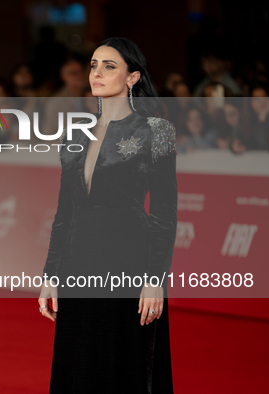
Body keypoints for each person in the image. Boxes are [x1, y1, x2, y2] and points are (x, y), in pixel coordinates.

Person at [38, 37, 177, 393]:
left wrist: (154, 278)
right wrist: (50, 273)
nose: (97, 73)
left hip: (129, 260)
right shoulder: (74, 133)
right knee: (80, 364)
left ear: (132, 77)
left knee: (125, 365)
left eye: (109, 66)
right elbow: (64, 211)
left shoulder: (155, 131)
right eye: (94, 65)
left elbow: (164, 211)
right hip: (78, 261)